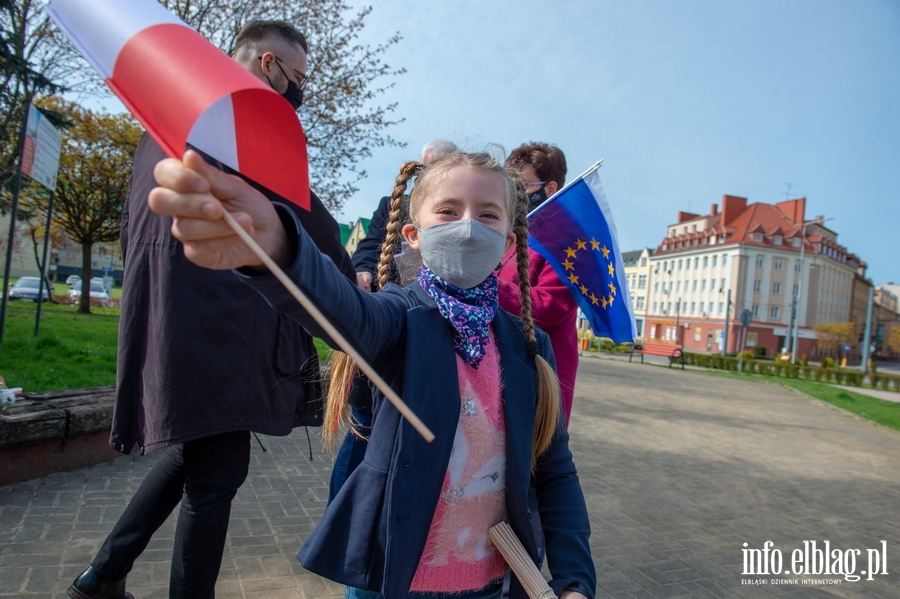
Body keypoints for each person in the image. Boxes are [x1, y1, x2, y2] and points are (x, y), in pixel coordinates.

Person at [149, 150, 597, 599]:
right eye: (447, 210)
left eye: (487, 214)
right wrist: (278, 248)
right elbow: (343, 310)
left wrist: (575, 578)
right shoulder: (400, 319)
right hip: (393, 578)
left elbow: (554, 468)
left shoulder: (527, 344)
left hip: (491, 582)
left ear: (507, 242)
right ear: (412, 235)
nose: (467, 225)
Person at [67, 21, 356, 599]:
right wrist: (354, 294)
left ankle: (100, 576)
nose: (297, 93)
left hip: (175, 314)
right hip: (218, 320)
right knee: (218, 472)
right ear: (268, 64)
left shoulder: (173, 108)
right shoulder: (239, 110)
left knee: (196, 453)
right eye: (296, 79)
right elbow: (302, 210)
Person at [327, 139, 459, 502]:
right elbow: (369, 246)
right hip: (388, 324)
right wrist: (364, 270)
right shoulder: (394, 205)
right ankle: (341, 515)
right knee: (364, 426)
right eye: (425, 167)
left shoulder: (457, 213)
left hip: (433, 330)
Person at [498, 143, 580, 426]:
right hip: (501, 372)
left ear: (551, 188)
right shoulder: (512, 234)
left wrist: (486, 286)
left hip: (541, 377)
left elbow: (551, 304)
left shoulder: (570, 241)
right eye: (511, 186)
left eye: (524, 186)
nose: (516, 195)